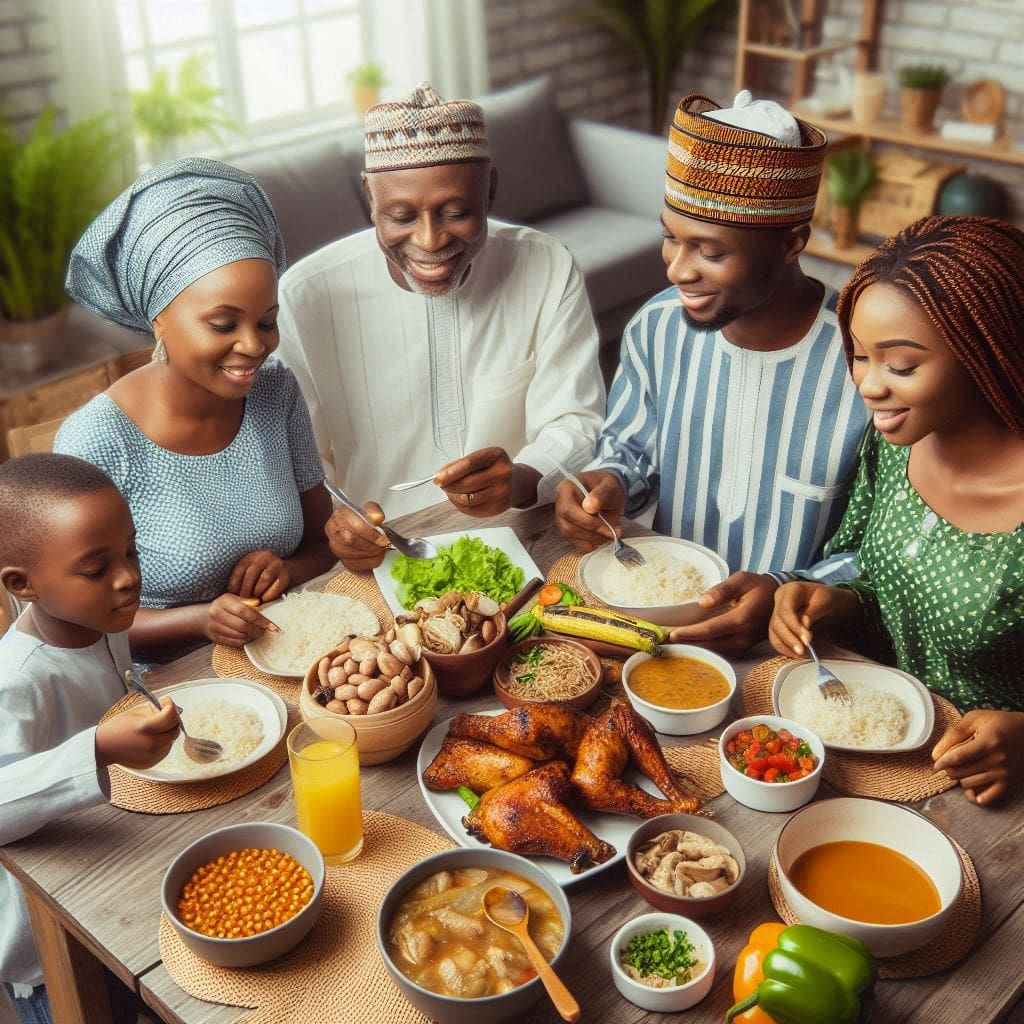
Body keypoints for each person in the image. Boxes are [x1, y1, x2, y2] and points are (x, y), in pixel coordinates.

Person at [554, 91, 870, 653]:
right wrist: (606, 484)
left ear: (791, 242)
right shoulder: (655, 328)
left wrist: (785, 591)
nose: (677, 269)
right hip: (662, 623)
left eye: (710, 251)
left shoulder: (865, 360)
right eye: (670, 237)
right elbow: (628, 453)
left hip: (799, 651)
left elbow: (878, 553)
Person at [275, 82, 605, 572]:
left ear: (489, 189)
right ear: (370, 195)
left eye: (456, 212)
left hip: (520, 536)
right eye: (402, 216)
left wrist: (519, 477)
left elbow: (575, 419)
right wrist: (337, 522)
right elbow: (303, 459)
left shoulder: (547, 265)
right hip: (377, 557)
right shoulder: (305, 295)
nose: (430, 241)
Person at [769, 215, 1024, 806]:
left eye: (902, 365)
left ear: (988, 351)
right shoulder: (892, 444)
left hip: (990, 795)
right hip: (874, 757)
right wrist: (842, 601)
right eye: (858, 356)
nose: (869, 385)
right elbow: (873, 571)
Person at [55, 158, 335, 663]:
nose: (254, 346)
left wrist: (287, 571)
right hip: (173, 692)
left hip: (291, 656)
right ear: (158, 318)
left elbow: (322, 541)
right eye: (224, 324)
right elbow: (78, 626)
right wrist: (199, 618)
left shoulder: (276, 392)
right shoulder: (96, 441)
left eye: (266, 322)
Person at [0, 454, 181, 1023]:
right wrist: (98, 748)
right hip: (44, 932)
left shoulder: (99, 620)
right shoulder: (19, 679)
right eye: (95, 569)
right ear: (21, 585)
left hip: (111, 872)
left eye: (131, 552)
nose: (128, 577)